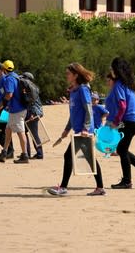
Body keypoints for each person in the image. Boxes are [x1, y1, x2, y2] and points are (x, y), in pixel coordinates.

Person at [48, 63, 105, 196]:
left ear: (76, 75)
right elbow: (73, 113)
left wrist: (86, 128)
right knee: (88, 158)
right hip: (78, 130)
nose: (66, 75)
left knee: (70, 156)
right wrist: (67, 129)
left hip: (84, 131)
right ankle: (100, 188)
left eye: (68, 73)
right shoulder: (73, 91)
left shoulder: (83, 89)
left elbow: (88, 110)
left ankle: (63, 187)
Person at [105, 57, 135, 189]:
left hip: (127, 121)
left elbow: (122, 106)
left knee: (121, 149)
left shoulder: (119, 85)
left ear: (117, 69)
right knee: (122, 149)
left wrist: (116, 122)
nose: (111, 70)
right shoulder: (128, 84)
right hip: (134, 121)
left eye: (112, 67)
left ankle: (127, 180)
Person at [0, 60, 28, 164]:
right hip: (16, 109)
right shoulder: (16, 76)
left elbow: (9, 95)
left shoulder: (10, 79)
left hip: (17, 110)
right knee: (8, 130)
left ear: (3, 69)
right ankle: (4, 153)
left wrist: (0, 106)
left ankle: (24, 155)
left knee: (21, 132)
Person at [0, 63, 14, 159]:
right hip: (1, 108)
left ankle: (9, 150)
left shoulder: (4, 79)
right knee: (5, 130)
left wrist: (1, 105)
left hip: (4, 108)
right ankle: (9, 151)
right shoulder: (1, 79)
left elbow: (7, 94)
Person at [21, 72, 45, 160]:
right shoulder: (33, 87)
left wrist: (32, 114)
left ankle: (39, 154)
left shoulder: (30, 88)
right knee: (25, 132)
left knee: (33, 134)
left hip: (33, 113)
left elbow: (31, 102)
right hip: (34, 112)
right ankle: (27, 153)